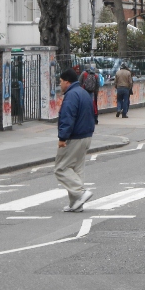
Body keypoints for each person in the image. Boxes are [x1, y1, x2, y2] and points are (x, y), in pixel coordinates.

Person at [56, 68, 95, 212]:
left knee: (61, 168)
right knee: (77, 169)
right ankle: (76, 204)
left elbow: (67, 117)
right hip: (86, 135)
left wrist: (62, 137)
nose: (60, 84)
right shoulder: (83, 93)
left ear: (67, 81)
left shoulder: (71, 95)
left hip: (75, 137)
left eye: (60, 81)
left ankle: (80, 193)